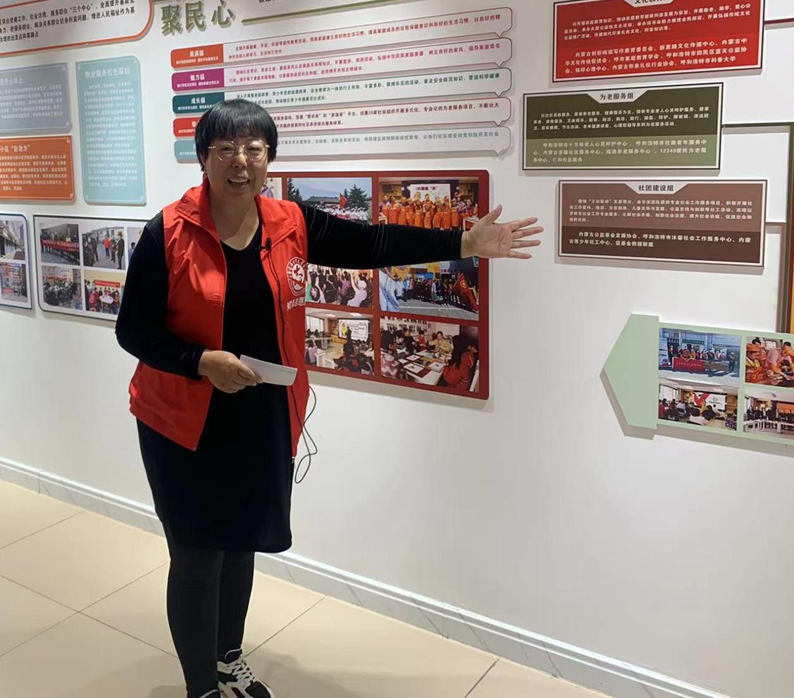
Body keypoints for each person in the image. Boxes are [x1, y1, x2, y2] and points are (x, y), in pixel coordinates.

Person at [115, 98, 542, 698]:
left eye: (254, 149)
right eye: (225, 149)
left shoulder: (290, 221)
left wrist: (463, 240)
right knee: (196, 555)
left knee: (241, 543)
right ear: (202, 158)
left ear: (269, 158)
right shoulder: (167, 233)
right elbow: (133, 331)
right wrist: (201, 362)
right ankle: (201, 688)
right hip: (183, 420)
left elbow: (371, 243)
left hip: (261, 414)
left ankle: (227, 659)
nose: (240, 162)